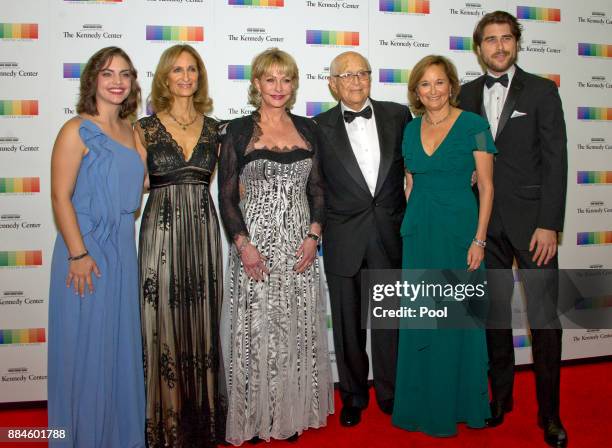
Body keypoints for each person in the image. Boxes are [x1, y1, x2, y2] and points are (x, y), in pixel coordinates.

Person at [458, 11, 568, 448]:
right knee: (494, 320)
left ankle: (551, 414)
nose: (499, 47)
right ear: (478, 47)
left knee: (544, 322)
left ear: (516, 43)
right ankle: (499, 401)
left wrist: (549, 224)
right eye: (490, 40)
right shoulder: (464, 94)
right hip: (485, 227)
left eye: (506, 39)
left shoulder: (542, 91)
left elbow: (556, 160)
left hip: (533, 227)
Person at [218, 47, 334, 445]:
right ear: (256, 84)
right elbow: (227, 197)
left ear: (294, 84)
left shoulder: (309, 129)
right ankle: (252, 417)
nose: (278, 87)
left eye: (286, 79)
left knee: (294, 329)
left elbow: (318, 189)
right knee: (254, 328)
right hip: (256, 245)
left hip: (300, 244)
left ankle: (287, 413)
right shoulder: (236, 130)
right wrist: (243, 245)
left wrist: (314, 234)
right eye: (270, 79)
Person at [391, 55, 496, 436]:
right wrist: (411, 222)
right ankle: (421, 403)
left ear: (451, 86)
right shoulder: (410, 129)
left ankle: (460, 405)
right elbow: (410, 182)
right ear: (416, 91)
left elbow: (486, 186)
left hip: (460, 232)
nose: (432, 90)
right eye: (424, 84)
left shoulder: (476, 126)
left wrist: (479, 239)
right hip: (420, 232)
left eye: (439, 82)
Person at [48, 46, 145, 447]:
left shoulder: (133, 130)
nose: (118, 81)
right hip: (85, 249)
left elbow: (139, 191)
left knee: (118, 347)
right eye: (108, 73)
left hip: (123, 246)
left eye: (125, 73)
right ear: (93, 80)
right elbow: (59, 196)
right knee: (84, 348)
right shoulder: (76, 129)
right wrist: (78, 254)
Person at [134, 44, 225, 447]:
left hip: (203, 231)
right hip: (161, 231)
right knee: (163, 322)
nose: (185, 76)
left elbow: (231, 184)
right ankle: (166, 422)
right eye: (177, 70)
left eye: (191, 69)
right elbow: (134, 186)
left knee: (202, 321)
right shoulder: (144, 128)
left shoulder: (216, 128)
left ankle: (202, 422)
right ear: (164, 78)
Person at [314, 51, 411, 426]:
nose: (356, 81)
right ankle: (353, 394)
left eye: (362, 73)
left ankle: (391, 391)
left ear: (371, 78)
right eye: (346, 75)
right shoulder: (318, 126)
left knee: (390, 322)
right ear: (332, 83)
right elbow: (315, 186)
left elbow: (418, 163)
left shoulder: (398, 115)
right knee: (348, 325)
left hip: (390, 233)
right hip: (343, 237)